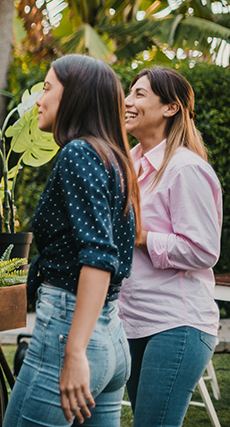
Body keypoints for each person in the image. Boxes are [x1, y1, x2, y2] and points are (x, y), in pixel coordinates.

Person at [4, 55, 138, 427]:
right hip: (110, 337)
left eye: (47, 88)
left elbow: (98, 257)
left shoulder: (79, 153)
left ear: (75, 97)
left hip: (70, 335)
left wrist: (75, 351)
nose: (37, 101)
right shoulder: (114, 158)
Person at [118, 67, 221, 425]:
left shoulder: (185, 168)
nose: (128, 102)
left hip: (176, 324)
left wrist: (143, 236)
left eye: (140, 94)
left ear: (170, 108)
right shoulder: (128, 163)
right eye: (129, 93)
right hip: (132, 321)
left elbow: (205, 249)